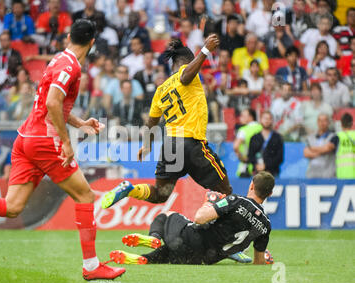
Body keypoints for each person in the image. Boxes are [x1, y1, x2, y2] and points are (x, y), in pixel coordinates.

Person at [0, 19, 125, 281]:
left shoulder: (59, 59)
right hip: (44, 142)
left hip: (26, 138)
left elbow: (52, 105)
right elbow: (52, 102)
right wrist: (66, 142)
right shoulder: (71, 65)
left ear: (69, 37)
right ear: (92, 42)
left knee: (12, 207)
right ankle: (92, 266)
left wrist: (80, 123)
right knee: (84, 196)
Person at [102, 37, 233, 208]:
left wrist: (147, 146)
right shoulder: (187, 73)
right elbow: (185, 77)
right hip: (191, 144)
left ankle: (130, 189)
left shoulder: (160, 90)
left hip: (171, 147)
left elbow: (151, 123)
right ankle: (219, 230)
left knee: (160, 194)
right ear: (186, 61)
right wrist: (205, 51)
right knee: (227, 193)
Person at [109, 171, 275, 266]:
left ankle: (154, 238)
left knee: (167, 215)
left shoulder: (236, 201)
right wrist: (266, 260)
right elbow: (258, 262)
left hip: (194, 239)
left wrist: (209, 202)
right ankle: (144, 258)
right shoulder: (266, 225)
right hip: (203, 259)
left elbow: (199, 218)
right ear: (270, 194)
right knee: (170, 252)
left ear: (251, 185)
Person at [248, 111, 284, 177]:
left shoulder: (277, 138)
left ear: (272, 121)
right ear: (260, 119)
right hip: (257, 173)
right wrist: (257, 165)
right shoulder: (254, 138)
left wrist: (266, 165)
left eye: (269, 119)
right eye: (265, 118)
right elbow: (250, 156)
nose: (267, 121)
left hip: (273, 173)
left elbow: (279, 157)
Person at [303, 113, 338, 178]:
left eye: (324, 121)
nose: (322, 123)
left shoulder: (334, 137)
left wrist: (312, 148)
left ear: (328, 122)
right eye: (320, 121)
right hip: (312, 175)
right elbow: (306, 153)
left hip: (328, 176)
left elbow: (327, 148)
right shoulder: (311, 137)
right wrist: (322, 151)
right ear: (317, 122)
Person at [233, 108, 262, 178]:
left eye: (243, 116)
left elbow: (236, 147)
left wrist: (242, 158)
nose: (240, 118)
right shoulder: (261, 127)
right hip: (261, 165)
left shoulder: (243, 130)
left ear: (250, 117)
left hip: (247, 167)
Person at [335, 113, 355, 179]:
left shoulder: (337, 136)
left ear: (341, 124)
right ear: (352, 123)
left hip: (341, 175)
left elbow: (327, 148)